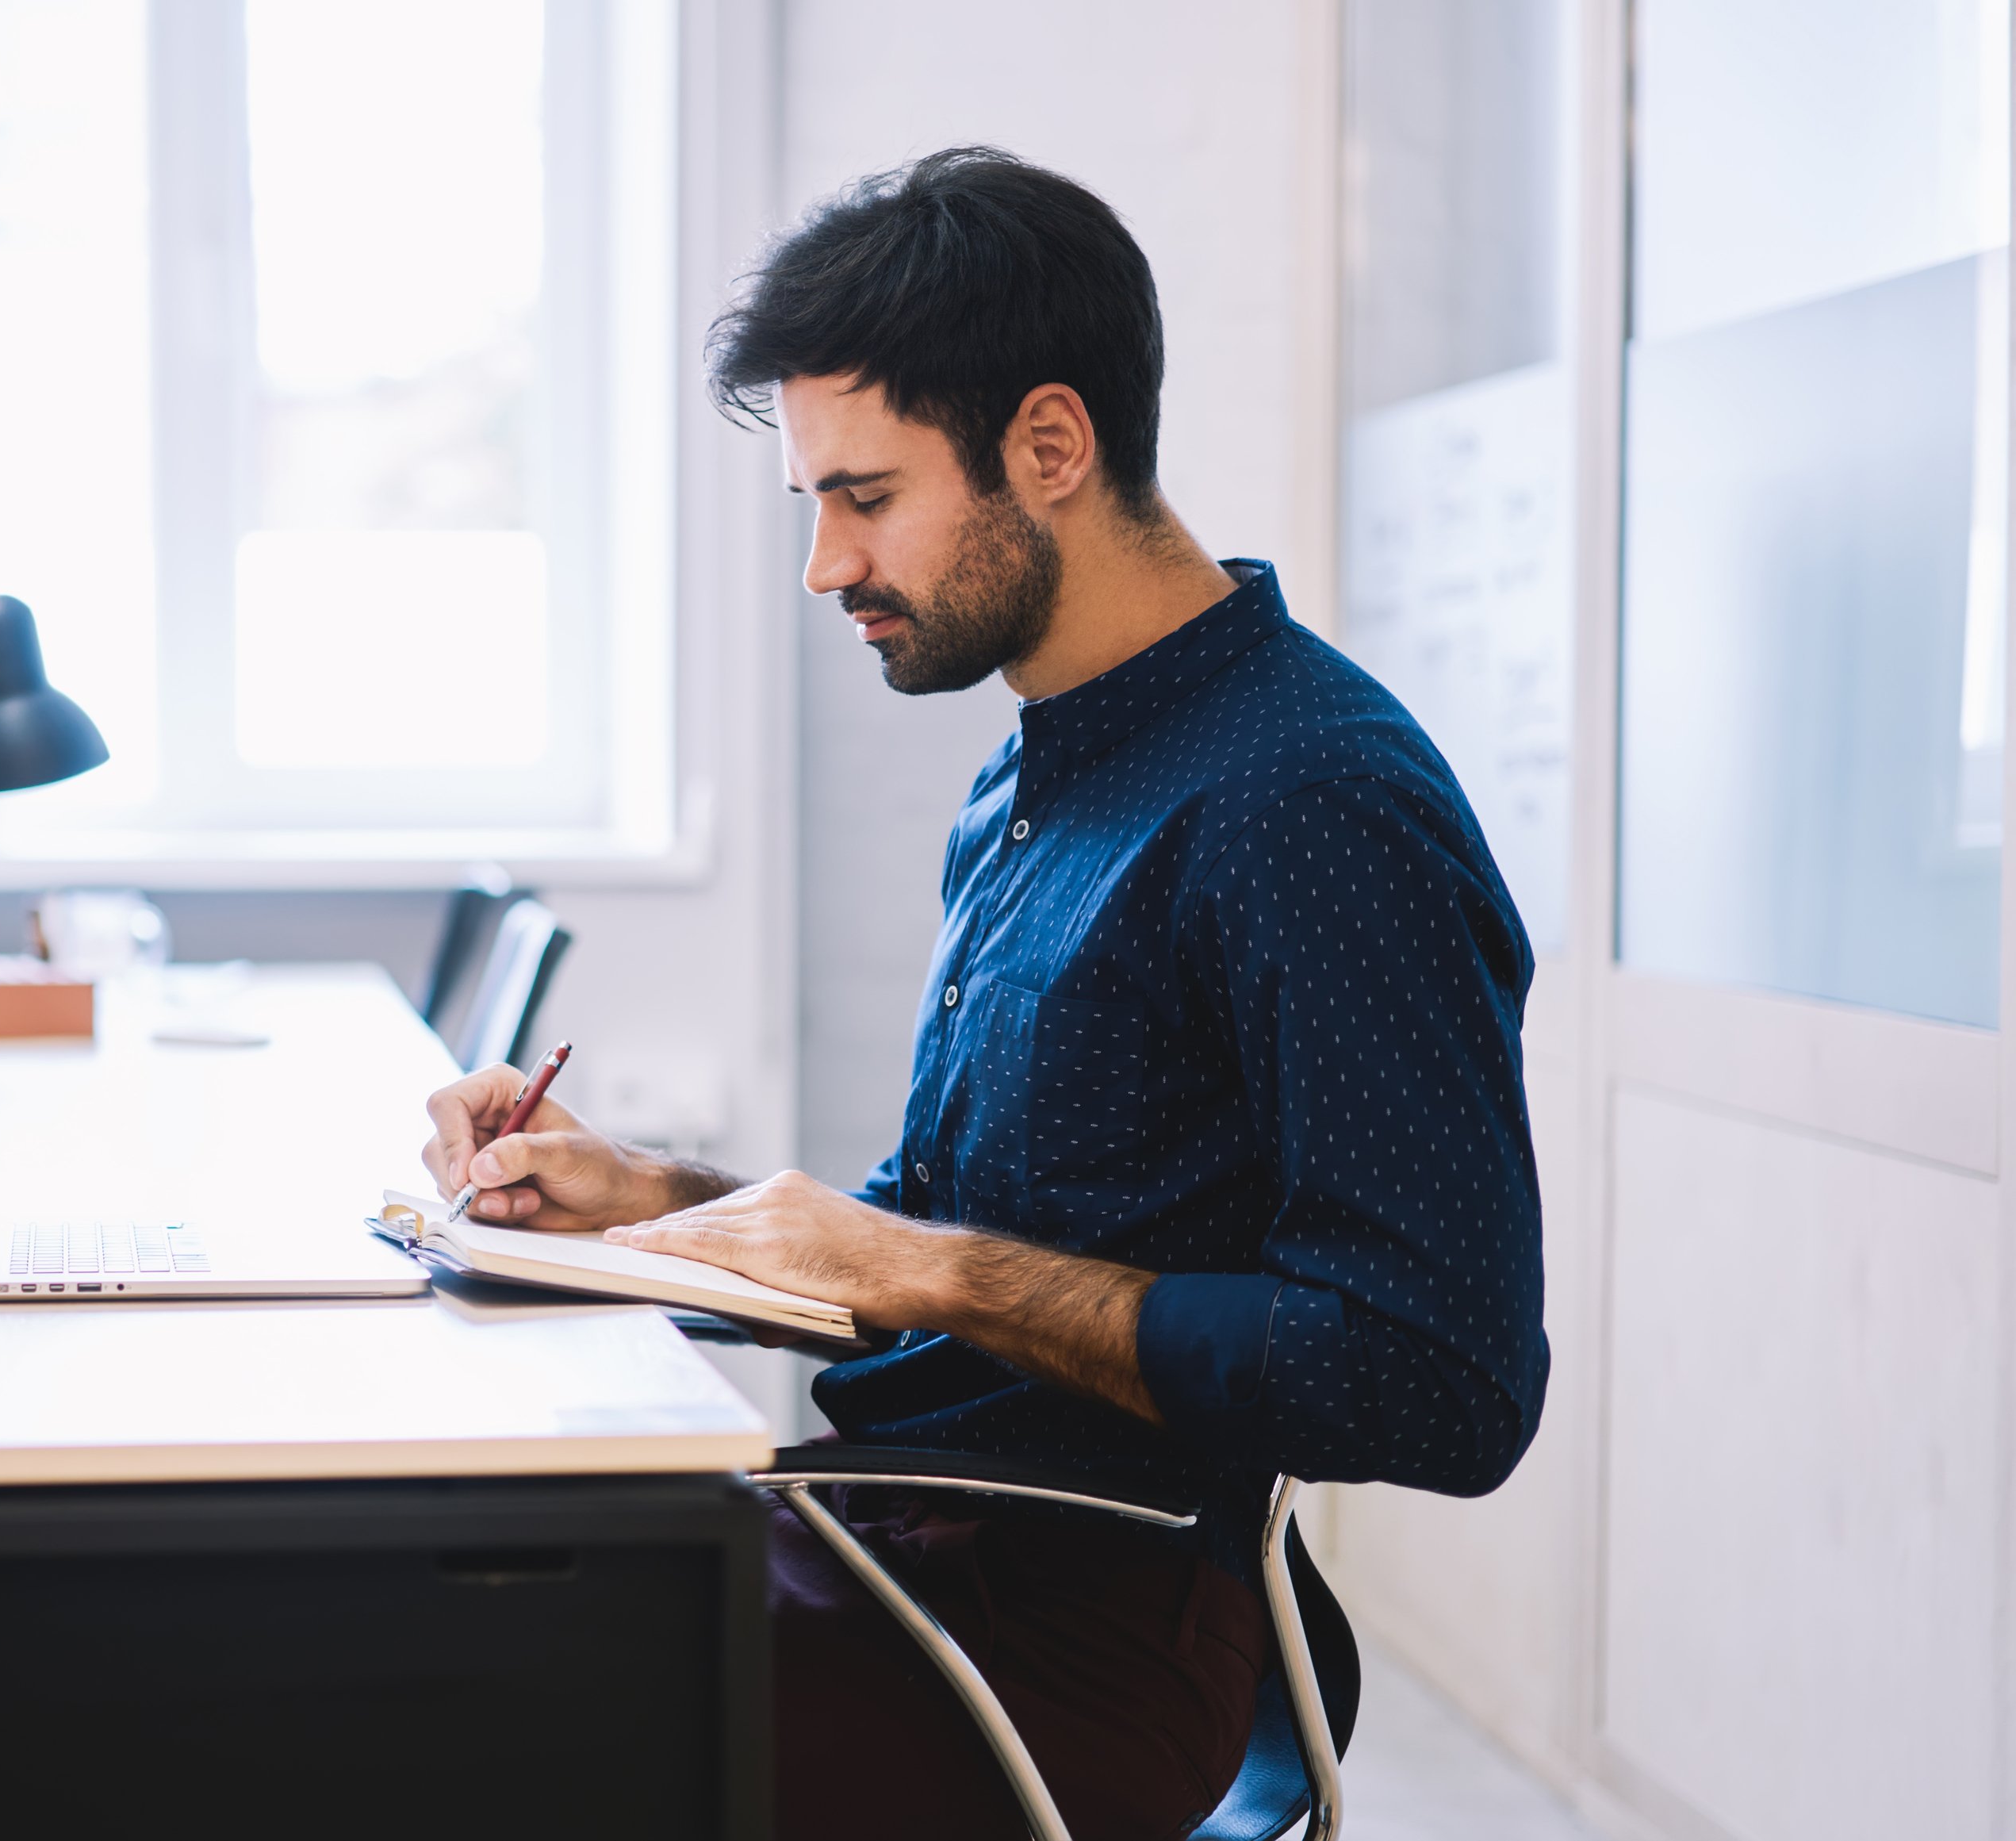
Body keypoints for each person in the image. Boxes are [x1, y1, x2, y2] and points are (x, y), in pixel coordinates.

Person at [422, 147, 1550, 1840]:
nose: (822, 565)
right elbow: (945, 1238)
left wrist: (923, 1266)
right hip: (901, 1547)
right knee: (384, 1618)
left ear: (1047, 447)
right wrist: (648, 1205)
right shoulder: (1036, 781)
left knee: (411, 1720)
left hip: (1073, 1647)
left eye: (864, 497)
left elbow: (1438, 1384)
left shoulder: (1306, 803)